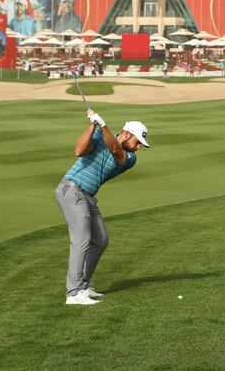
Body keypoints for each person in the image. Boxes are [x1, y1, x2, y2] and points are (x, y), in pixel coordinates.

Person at [55, 112, 150, 305]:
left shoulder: (130, 158)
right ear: (126, 134)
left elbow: (115, 150)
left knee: (100, 240)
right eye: (137, 142)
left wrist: (103, 125)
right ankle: (73, 293)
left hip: (87, 196)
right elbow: (79, 151)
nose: (139, 147)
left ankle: (83, 286)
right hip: (71, 189)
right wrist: (93, 126)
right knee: (81, 239)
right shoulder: (99, 136)